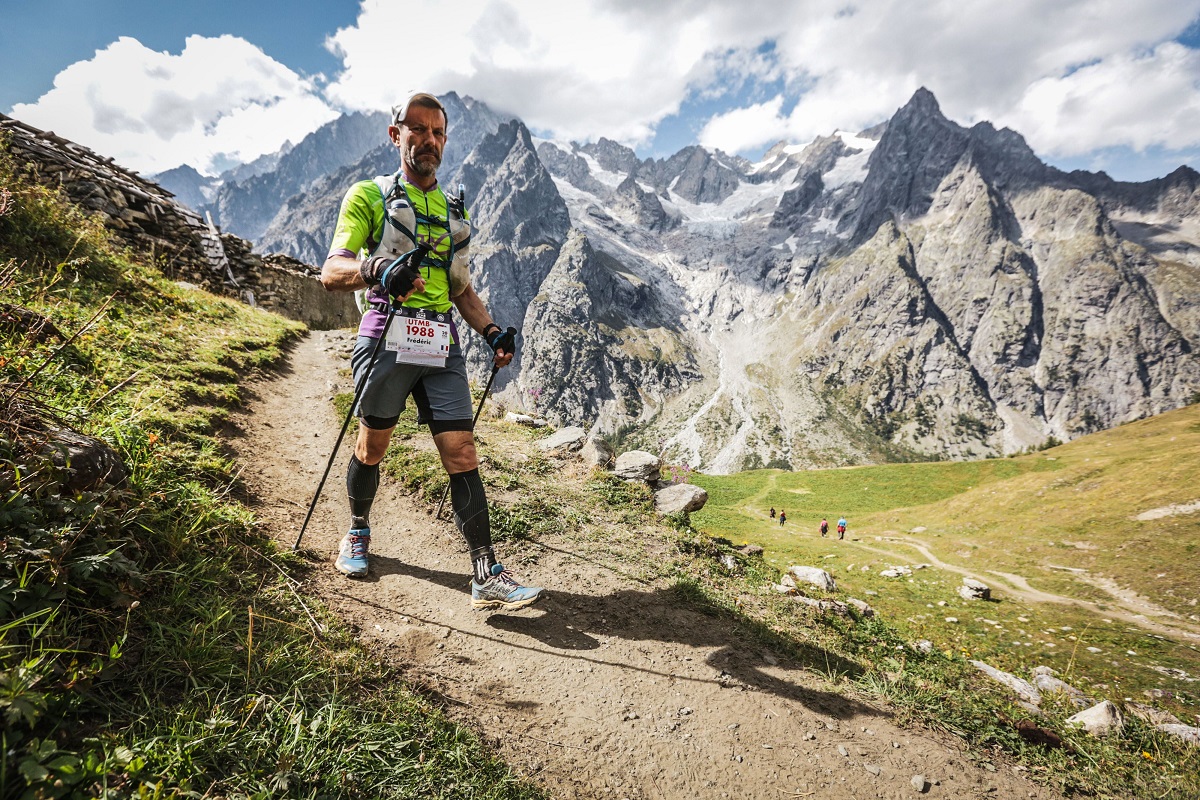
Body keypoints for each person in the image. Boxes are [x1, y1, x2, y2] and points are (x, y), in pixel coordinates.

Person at [319, 92, 542, 611]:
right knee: (372, 447)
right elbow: (331, 271)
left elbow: (461, 288)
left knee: (462, 452)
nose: (429, 141)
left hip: (442, 344)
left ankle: (486, 570)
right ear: (395, 134)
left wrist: (491, 332)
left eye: (438, 132)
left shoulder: (451, 209)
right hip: (386, 335)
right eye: (418, 130)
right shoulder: (368, 196)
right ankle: (357, 530)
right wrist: (376, 270)